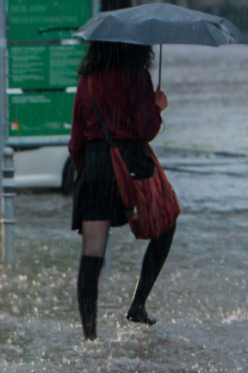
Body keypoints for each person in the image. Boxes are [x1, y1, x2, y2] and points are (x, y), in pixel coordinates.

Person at [68, 42, 175, 341]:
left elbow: (75, 141)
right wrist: (157, 106)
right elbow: (145, 129)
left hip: (94, 168)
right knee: (166, 222)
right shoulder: (137, 77)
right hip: (131, 166)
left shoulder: (87, 81)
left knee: (92, 252)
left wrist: (89, 170)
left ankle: (89, 336)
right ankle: (138, 304)